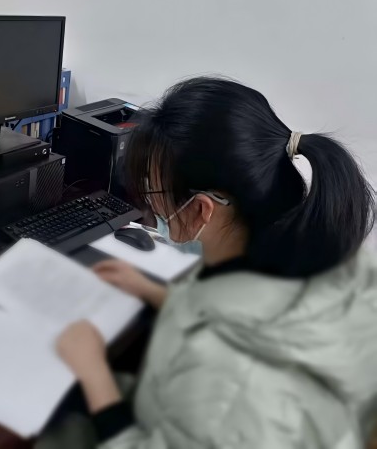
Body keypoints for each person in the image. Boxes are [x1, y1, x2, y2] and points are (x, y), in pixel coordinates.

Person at [39, 77, 377, 449]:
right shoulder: (302, 260)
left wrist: (93, 372)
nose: (151, 205)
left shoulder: (221, 363)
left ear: (202, 210)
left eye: (152, 190)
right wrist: (157, 293)